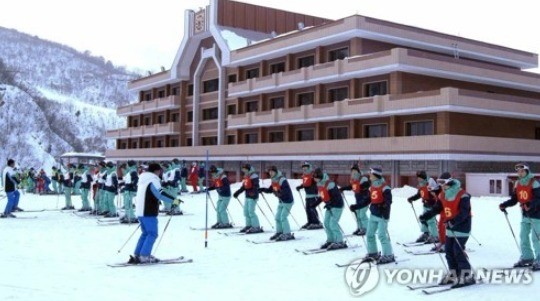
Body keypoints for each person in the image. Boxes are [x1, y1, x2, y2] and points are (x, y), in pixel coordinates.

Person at [420, 172, 475, 288]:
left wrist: (453, 222)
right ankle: (454, 273)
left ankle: (466, 275)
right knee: (449, 251)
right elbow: (437, 208)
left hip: (462, 227)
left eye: (442, 183)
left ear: (449, 181)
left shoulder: (463, 195)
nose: (441, 185)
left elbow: (464, 213)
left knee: (458, 251)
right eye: (439, 183)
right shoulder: (442, 195)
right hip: (450, 227)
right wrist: (426, 216)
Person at [128, 163, 181, 264]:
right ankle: (144, 256)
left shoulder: (143, 179)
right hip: (148, 211)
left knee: (146, 233)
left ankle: (138, 254)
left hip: (140, 211)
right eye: (160, 170)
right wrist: (174, 201)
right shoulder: (153, 179)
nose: (161, 172)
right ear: (156, 171)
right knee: (152, 233)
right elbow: (159, 194)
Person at [499, 163, 540, 270]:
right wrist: (504, 205)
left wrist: (530, 204)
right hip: (525, 214)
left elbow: (538, 198)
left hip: (537, 215)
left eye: (522, 171)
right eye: (518, 171)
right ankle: (527, 257)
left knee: (536, 238)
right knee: (523, 236)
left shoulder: (534, 182)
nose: (520, 173)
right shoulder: (517, 183)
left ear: (527, 171)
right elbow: (514, 199)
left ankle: (539, 259)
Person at [364, 166, 395, 264]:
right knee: (369, 234)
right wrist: (357, 206)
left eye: (371, 174)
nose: (369, 175)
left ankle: (388, 255)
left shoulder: (385, 187)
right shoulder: (372, 186)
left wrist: (383, 206)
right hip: (373, 214)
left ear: (376, 175)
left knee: (382, 235)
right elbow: (369, 199)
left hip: (382, 216)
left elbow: (388, 201)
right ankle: (373, 253)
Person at [259, 166, 295, 241]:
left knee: (283, 217)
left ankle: (287, 233)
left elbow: (286, 191)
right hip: (281, 201)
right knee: (277, 217)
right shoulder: (273, 180)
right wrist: (262, 189)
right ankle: (279, 232)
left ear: (276, 172)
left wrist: (279, 193)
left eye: (272, 171)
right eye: (270, 172)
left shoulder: (282, 180)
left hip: (288, 201)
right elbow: (270, 190)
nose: (270, 173)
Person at [314, 168, 346, 250]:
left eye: (316, 177)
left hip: (337, 206)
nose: (315, 179)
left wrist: (330, 204)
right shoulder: (319, 184)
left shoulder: (330, 184)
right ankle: (331, 240)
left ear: (320, 177)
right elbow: (323, 196)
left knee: (333, 223)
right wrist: (314, 204)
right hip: (330, 206)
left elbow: (336, 196)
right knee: (326, 223)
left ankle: (339, 241)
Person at [408, 170, 439, 243]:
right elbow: (419, 194)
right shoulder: (421, 184)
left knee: (431, 221)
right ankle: (426, 233)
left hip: (432, 205)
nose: (418, 179)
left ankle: (435, 236)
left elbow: (435, 192)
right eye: (418, 178)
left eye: (419, 178)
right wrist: (412, 198)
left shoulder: (430, 182)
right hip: (425, 205)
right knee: (423, 219)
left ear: (423, 177)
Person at [340, 164, 370, 236]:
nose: (353, 173)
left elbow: (367, 184)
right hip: (358, 201)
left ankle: (367, 228)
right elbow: (351, 187)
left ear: (358, 171)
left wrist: (362, 186)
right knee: (358, 215)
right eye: (352, 171)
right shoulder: (354, 180)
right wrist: (343, 188)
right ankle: (360, 228)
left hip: (364, 200)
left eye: (355, 171)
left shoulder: (363, 178)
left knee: (362, 215)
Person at [233, 163, 263, 234]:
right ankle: (249, 225)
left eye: (245, 169)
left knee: (251, 212)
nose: (244, 171)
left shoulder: (254, 176)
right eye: (243, 169)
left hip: (253, 197)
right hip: (247, 196)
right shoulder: (247, 176)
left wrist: (253, 192)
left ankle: (256, 227)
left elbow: (256, 186)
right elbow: (244, 186)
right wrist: (237, 192)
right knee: (246, 212)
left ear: (249, 169)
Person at [295, 162, 323, 230]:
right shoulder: (305, 176)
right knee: (307, 209)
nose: (304, 170)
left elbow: (317, 182)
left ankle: (316, 222)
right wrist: (300, 187)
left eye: (306, 168)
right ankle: (310, 221)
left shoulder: (312, 176)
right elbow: (305, 184)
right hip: (308, 195)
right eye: (303, 168)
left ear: (309, 168)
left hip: (313, 195)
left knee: (312, 209)